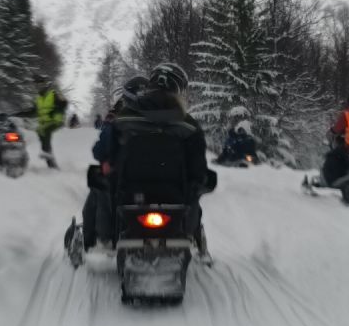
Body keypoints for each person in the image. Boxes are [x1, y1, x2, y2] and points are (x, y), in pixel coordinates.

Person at [96, 62, 210, 257]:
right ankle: (191, 235)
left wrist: (108, 162)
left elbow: (105, 152)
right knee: (196, 192)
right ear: (179, 89)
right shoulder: (189, 125)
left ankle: (104, 238)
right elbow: (198, 166)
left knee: (99, 187)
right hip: (175, 196)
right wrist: (199, 182)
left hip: (130, 193)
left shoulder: (124, 118)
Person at [78, 75, 148, 250]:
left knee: (99, 189)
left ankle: (100, 238)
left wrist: (107, 159)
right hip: (161, 179)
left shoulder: (118, 122)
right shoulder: (165, 122)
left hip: (124, 179)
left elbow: (100, 151)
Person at [11, 73, 69, 168]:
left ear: (45, 84)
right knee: (39, 131)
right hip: (46, 123)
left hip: (56, 120)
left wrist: (54, 112)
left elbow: (64, 103)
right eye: (36, 85)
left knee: (44, 131)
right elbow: (33, 112)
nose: (38, 87)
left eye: (41, 85)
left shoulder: (53, 94)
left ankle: (46, 153)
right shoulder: (38, 99)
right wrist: (18, 114)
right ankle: (50, 161)